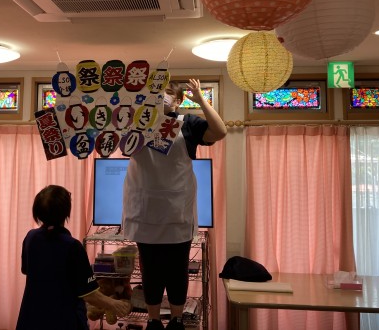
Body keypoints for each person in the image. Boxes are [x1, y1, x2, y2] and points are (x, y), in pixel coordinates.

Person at [122, 79, 227, 330]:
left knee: (177, 269)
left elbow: (220, 132)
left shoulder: (187, 123)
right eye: (157, 91)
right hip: (144, 209)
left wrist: (201, 100)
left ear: (178, 101)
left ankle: (177, 320)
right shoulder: (136, 122)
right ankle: (153, 320)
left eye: (168, 93)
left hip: (176, 210)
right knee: (150, 269)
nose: (162, 96)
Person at [16, 185, 131, 330]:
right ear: (66, 212)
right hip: (63, 320)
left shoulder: (31, 238)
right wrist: (115, 304)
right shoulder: (72, 246)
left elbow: (27, 270)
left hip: (31, 318)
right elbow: (89, 294)